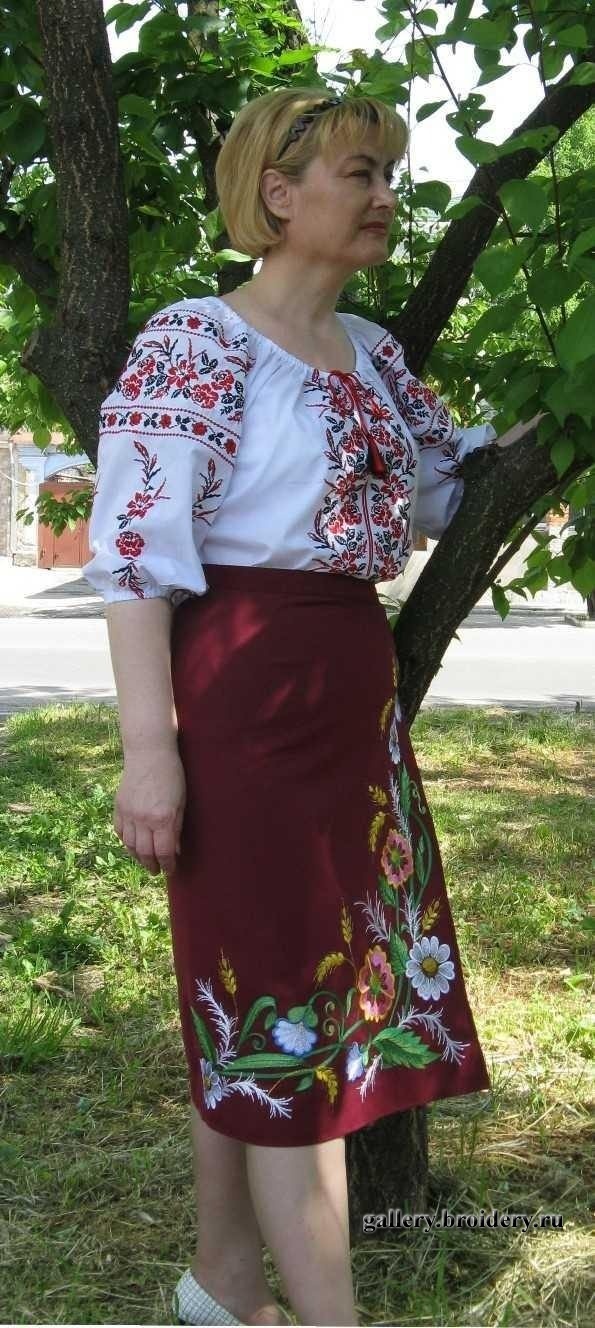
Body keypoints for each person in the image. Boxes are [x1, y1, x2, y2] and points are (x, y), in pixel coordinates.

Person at [82, 88, 502, 1327]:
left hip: (347, 711)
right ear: (279, 192)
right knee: (287, 1014)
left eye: (389, 175)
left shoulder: (372, 352)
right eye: (360, 173)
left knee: (257, 994)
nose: (386, 197)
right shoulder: (195, 341)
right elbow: (135, 558)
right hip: (244, 705)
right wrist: (150, 753)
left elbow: (442, 490)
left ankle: (223, 1280)